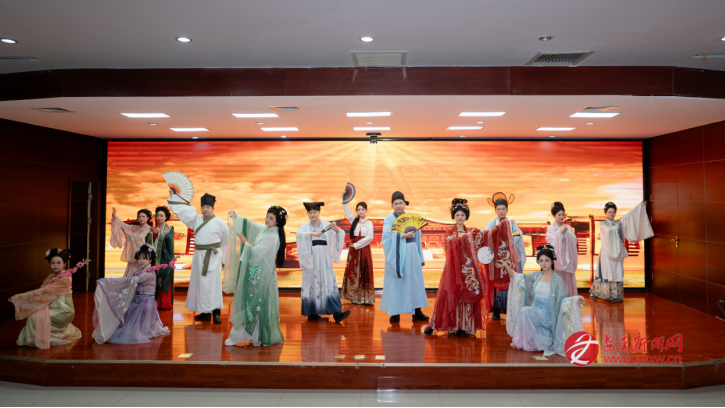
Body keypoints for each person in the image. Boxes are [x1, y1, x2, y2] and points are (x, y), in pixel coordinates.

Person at [500, 245, 586, 357]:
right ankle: (525, 341)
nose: (544, 263)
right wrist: (506, 266)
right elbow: (518, 278)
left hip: (548, 316)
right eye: (541, 261)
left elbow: (563, 300)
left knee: (525, 311)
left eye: (546, 260)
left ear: (552, 261)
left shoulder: (558, 281)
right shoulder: (535, 276)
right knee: (525, 311)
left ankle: (537, 339)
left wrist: (575, 300)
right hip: (535, 312)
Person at [224, 205, 288, 347]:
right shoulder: (266, 229)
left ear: (277, 222)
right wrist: (238, 218)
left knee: (254, 303)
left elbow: (258, 254)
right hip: (261, 275)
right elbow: (252, 225)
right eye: (267, 216)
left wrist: (245, 243)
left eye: (271, 218)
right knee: (258, 303)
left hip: (264, 277)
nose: (267, 219)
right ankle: (258, 336)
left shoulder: (272, 236)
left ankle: (242, 336)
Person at [425, 199, 487, 337]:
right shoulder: (450, 232)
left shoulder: (471, 231)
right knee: (450, 295)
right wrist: (465, 238)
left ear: (466, 217)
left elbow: (483, 238)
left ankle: (463, 327)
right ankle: (441, 324)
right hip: (453, 270)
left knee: (466, 296)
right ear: (454, 216)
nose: (460, 217)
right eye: (457, 215)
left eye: (462, 215)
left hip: (468, 269)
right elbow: (449, 245)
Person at [168, 192, 229, 324]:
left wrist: (221, 257)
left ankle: (216, 312)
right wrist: (174, 196)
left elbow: (226, 240)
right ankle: (205, 312)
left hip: (213, 257)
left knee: (213, 285)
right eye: (203, 207)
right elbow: (184, 210)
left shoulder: (220, 222)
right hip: (199, 257)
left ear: (213, 208)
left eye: (208, 207)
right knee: (200, 284)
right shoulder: (196, 219)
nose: (205, 209)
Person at [92, 244, 170, 344]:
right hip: (139, 301)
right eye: (139, 258)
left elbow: (133, 280)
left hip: (146, 303)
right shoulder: (139, 272)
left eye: (144, 258)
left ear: (150, 260)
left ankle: (144, 330)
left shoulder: (149, 274)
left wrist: (109, 282)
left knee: (136, 330)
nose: (141, 261)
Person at [10, 249, 81, 349]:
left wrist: (19, 298)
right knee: (32, 313)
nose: (55, 265)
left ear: (64, 264)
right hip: (52, 306)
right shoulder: (50, 277)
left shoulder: (66, 277)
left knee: (34, 316)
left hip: (64, 310)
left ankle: (38, 340)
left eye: (58, 263)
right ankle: (33, 339)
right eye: (52, 263)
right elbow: (41, 291)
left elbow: (44, 291)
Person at [296, 202, 351, 324]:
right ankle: (312, 312)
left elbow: (340, 234)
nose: (312, 215)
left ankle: (337, 313)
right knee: (312, 283)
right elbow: (299, 236)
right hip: (311, 260)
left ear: (319, 212)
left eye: (315, 212)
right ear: (308, 214)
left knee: (329, 284)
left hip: (324, 258)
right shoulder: (304, 227)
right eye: (310, 212)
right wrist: (312, 234)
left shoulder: (327, 225)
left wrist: (337, 230)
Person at [381, 191, 429, 324]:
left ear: (405, 204)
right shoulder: (388, 219)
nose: (398, 206)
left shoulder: (411, 218)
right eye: (395, 203)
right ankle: (395, 312)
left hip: (411, 253)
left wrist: (419, 256)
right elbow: (387, 236)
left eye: (400, 203)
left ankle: (417, 312)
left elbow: (417, 238)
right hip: (396, 254)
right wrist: (403, 235)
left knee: (414, 281)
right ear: (392, 205)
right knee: (396, 282)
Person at [591, 201, 653, 303]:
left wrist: (640, 206)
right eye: (609, 212)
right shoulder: (603, 224)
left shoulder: (618, 223)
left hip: (618, 250)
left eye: (613, 212)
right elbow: (608, 231)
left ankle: (615, 295)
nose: (612, 214)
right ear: (606, 213)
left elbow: (630, 216)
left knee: (616, 271)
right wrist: (618, 226)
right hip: (606, 252)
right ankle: (604, 293)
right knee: (606, 271)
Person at [485, 194, 527, 321]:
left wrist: (509, 234)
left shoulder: (512, 223)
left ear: (507, 209)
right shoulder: (491, 223)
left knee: (510, 284)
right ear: (495, 210)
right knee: (496, 284)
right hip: (496, 259)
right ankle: (496, 311)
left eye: (503, 209)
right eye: (499, 209)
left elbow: (518, 235)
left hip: (508, 259)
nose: (501, 211)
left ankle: (509, 309)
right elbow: (487, 237)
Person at [341, 197, 375, 305]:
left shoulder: (369, 223)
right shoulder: (354, 221)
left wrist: (356, 245)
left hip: (364, 249)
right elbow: (347, 211)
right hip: (354, 250)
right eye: (358, 209)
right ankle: (354, 298)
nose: (360, 211)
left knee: (364, 271)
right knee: (354, 272)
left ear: (366, 210)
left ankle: (364, 298)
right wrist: (344, 200)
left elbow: (370, 237)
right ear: (356, 211)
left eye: (362, 209)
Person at [546, 202, 579, 297]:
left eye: (562, 214)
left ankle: (568, 301)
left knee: (567, 282)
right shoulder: (550, 228)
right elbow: (550, 242)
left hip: (567, 258)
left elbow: (574, 240)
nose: (561, 217)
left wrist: (566, 233)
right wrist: (560, 232)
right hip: (556, 260)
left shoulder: (568, 227)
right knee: (557, 281)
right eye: (559, 215)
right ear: (554, 215)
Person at [110, 207, 152, 277]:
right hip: (134, 255)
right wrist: (115, 217)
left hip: (143, 257)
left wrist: (129, 234)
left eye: (143, 216)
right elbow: (124, 225)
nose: (141, 218)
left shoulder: (148, 228)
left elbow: (140, 237)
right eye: (139, 217)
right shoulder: (136, 227)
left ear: (147, 218)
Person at [147, 205, 175, 310]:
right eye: (157, 215)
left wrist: (158, 234)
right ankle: (154, 302)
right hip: (155, 258)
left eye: (161, 215)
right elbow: (149, 242)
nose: (159, 218)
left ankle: (164, 303)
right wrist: (152, 234)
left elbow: (169, 242)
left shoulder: (169, 229)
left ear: (166, 217)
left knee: (164, 279)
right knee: (154, 279)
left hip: (165, 258)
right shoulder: (153, 229)